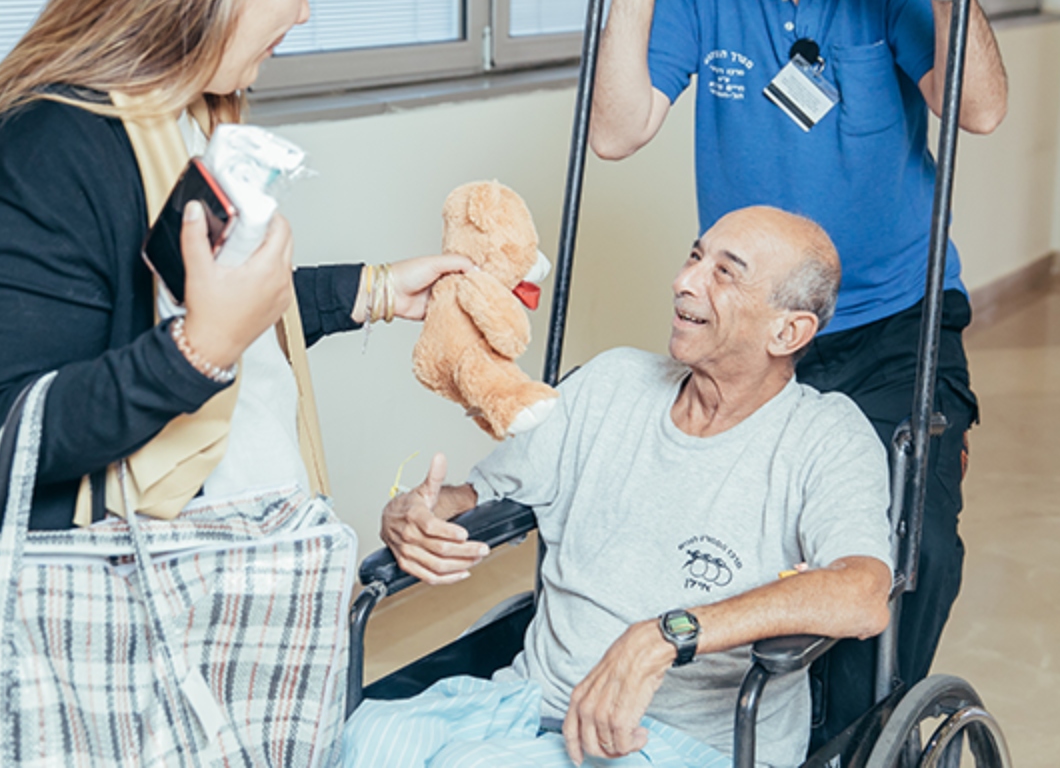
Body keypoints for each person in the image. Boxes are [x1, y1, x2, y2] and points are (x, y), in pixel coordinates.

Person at [588, 0, 1007, 744]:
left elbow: (978, 109)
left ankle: (839, 746)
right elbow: (615, 131)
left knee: (904, 550)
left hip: (890, 319)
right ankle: (735, 732)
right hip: (755, 328)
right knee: (721, 534)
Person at [0, 0, 470, 534]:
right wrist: (199, 352)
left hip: (240, 564)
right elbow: (7, 433)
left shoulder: (183, 118)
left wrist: (372, 291)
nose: (303, 12)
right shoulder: (30, 155)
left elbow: (188, 308)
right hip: (129, 592)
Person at [350, 206, 893, 768]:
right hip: (526, 702)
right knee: (361, 740)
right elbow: (475, 497)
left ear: (788, 332)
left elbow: (863, 593)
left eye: (724, 273)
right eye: (694, 256)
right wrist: (416, 513)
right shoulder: (612, 383)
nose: (684, 281)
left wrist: (667, 635)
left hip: (671, 743)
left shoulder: (825, 436)